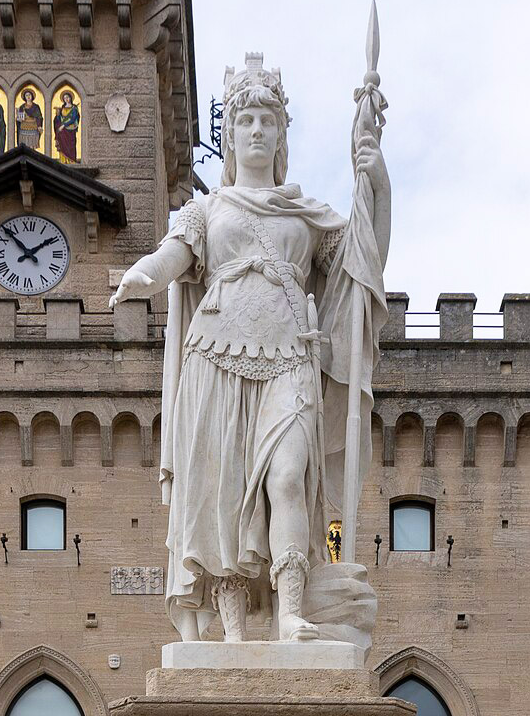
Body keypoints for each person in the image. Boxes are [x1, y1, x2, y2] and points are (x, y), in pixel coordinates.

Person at [110, 52, 389, 646]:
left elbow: (362, 264)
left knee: (288, 477)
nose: (257, 130)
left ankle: (291, 615)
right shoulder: (206, 210)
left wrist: (377, 181)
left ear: (282, 135)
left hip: (290, 360)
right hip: (215, 360)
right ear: (231, 137)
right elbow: (172, 258)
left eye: (268, 120)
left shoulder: (306, 216)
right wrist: (140, 276)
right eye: (245, 120)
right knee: (225, 498)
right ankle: (232, 637)